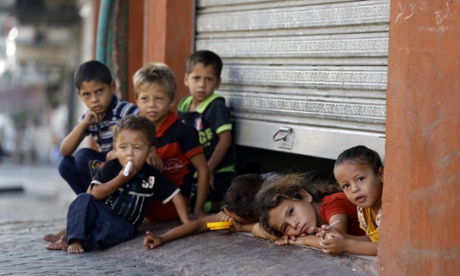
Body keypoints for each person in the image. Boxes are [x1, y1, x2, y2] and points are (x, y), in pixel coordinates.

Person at [55, 115, 190, 253]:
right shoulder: (111, 167)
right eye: (123, 147)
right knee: (83, 198)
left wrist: (187, 223)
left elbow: (175, 196)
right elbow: (95, 192)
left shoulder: (151, 175)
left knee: (115, 232)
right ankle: (75, 239)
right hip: (102, 213)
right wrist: (120, 179)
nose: (129, 154)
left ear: (150, 152)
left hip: (123, 224)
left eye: (137, 148)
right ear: (115, 149)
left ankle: (80, 240)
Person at [133, 62, 210, 220]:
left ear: (172, 100)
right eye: (145, 99)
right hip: (139, 198)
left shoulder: (183, 132)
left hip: (171, 206)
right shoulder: (134, 130)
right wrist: (141, 156)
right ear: (137, 100)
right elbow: (112, 157)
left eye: (159, 99)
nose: (151, 105)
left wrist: (198, 209)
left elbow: (203, 170)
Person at [58, 60, 139, 195]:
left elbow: (147, 128)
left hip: (124, 164)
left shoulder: (124, 110)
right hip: (105, 168)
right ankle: (90, 201)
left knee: (82, 156)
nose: (94, 99)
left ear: (112, 87)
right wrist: (84, 124)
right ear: (79, 95)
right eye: (87, 95)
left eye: (99, 91)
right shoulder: (89, 118)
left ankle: (96, 199)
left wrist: (120, 153)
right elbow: (64, 151)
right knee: (65, 165)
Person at [143, 173, 275, 249]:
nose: (228, 220)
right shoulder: (231, 208)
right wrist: (163, 237)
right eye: (227, 214)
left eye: (235, 220)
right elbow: (197, 225)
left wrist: (241, 227)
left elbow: (272, 232)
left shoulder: (273, 204)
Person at [177, 50, 236, 213]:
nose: (202, 85)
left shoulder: (216, 107)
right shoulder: (183, 105)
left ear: (218, 83)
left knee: (197, 203)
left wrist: (209, 169)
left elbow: (225, 140)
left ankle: (224, 207)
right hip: (194, 172)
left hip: (218, 171)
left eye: (208, 79)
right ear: (186, 79)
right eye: (196, 78)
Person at [254, 172, 364, 251]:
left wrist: (305, 240)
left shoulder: (333, 203)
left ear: (305, 196)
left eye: (291, 212)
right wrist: (279, 236)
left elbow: (333, 240)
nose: (294, 224)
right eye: (285, 227)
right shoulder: (311, 225)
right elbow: (256, 229)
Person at [317, 145, 383, 256]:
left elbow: (390, 248)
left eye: (360, 179)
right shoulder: (363, 210)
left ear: (381, 175)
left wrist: (346, 245)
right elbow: (371, 240)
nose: (354, 189)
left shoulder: (390, 208)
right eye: (346, 185)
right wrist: (340, 236)